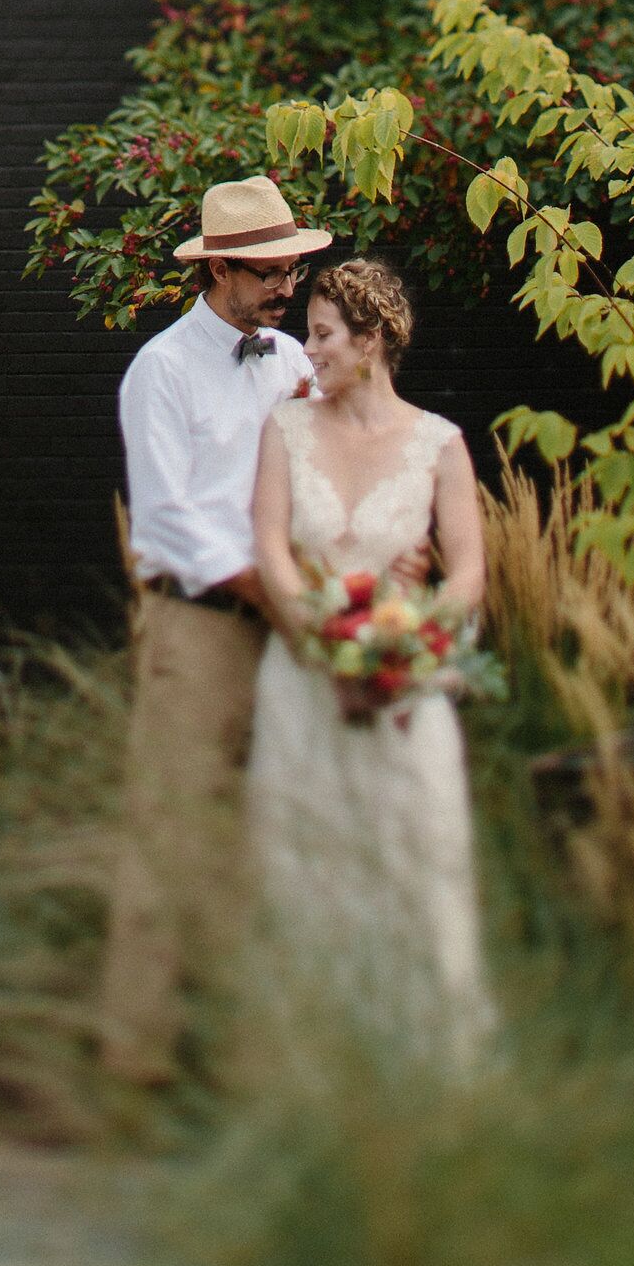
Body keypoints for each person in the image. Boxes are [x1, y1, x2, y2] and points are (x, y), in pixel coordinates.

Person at [98, 173, 331, 1083]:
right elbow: (167, 519)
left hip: (287, 620)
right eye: (269, 273)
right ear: (220, 271)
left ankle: (249, 1057)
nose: (287, 288)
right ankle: (135, 1057)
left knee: (272, 833)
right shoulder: (159, 369)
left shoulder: (291, 364)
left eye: (292, 272)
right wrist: (262, 588)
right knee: (171, 829)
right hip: (198, 627)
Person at [247, 253, 493, 1062]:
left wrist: (404, 645)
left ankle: (428, 1066)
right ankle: (310, 1067)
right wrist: (322, 639)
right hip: (306, 681)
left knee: (413, 864)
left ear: (373, 339)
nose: (307, 350)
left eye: (322, 336)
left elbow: (467, 576)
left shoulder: (440, 445)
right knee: (304, 869)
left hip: (403, 685)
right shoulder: (284, 429)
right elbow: (272, 550)